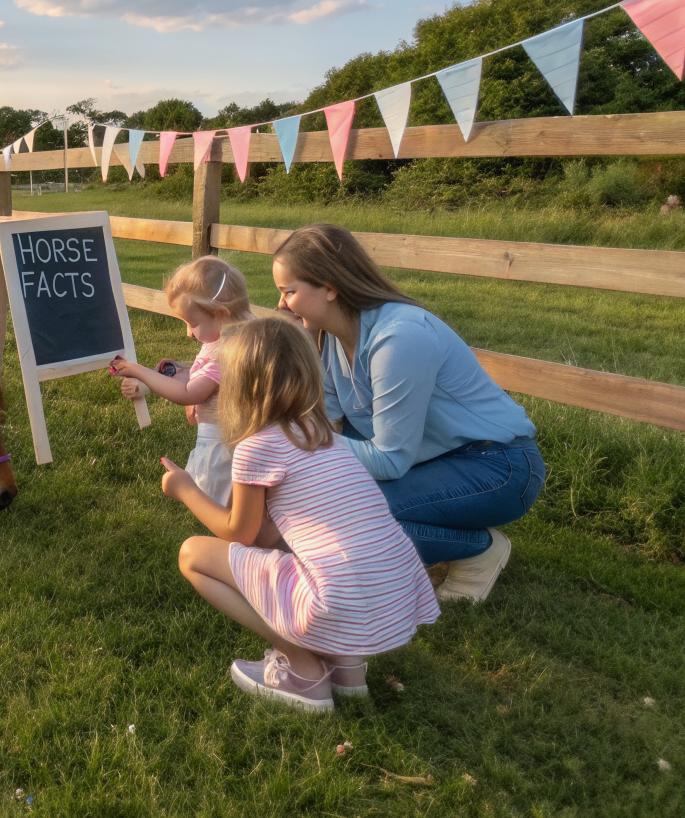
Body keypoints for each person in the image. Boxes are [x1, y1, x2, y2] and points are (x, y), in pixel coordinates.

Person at [162, 316, 439, 712]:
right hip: (390, 592)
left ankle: (303, 669)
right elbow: (266, 535)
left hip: (336, 600)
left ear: (239, 386)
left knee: (192, 555)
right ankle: (347, 670)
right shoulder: (325, 435)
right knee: (305, 551)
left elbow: (239, 533)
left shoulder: (257, 446)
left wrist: (186, 488)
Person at [271, 223, 546, 604]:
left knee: (350, 514)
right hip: (433, 463)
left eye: (289, 292)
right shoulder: (329, 338)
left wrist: (292, 441)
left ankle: (477, 549)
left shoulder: (399, 337)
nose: (281, 304)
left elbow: (387, 460)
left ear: (330, 286)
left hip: (498, 466)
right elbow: (332, 427)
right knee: (324, 502)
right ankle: (433, 539)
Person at [110, 256, 253, 506]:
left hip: (224, 445)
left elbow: (189, 393)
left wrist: (139, 371)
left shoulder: (229, 353)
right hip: (221, 438)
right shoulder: (222, 342)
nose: (188, 333)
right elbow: (197, 375)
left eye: (193, 323)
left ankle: (229, 542)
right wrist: (154, 380)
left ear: (221, 314)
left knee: (219, 506)